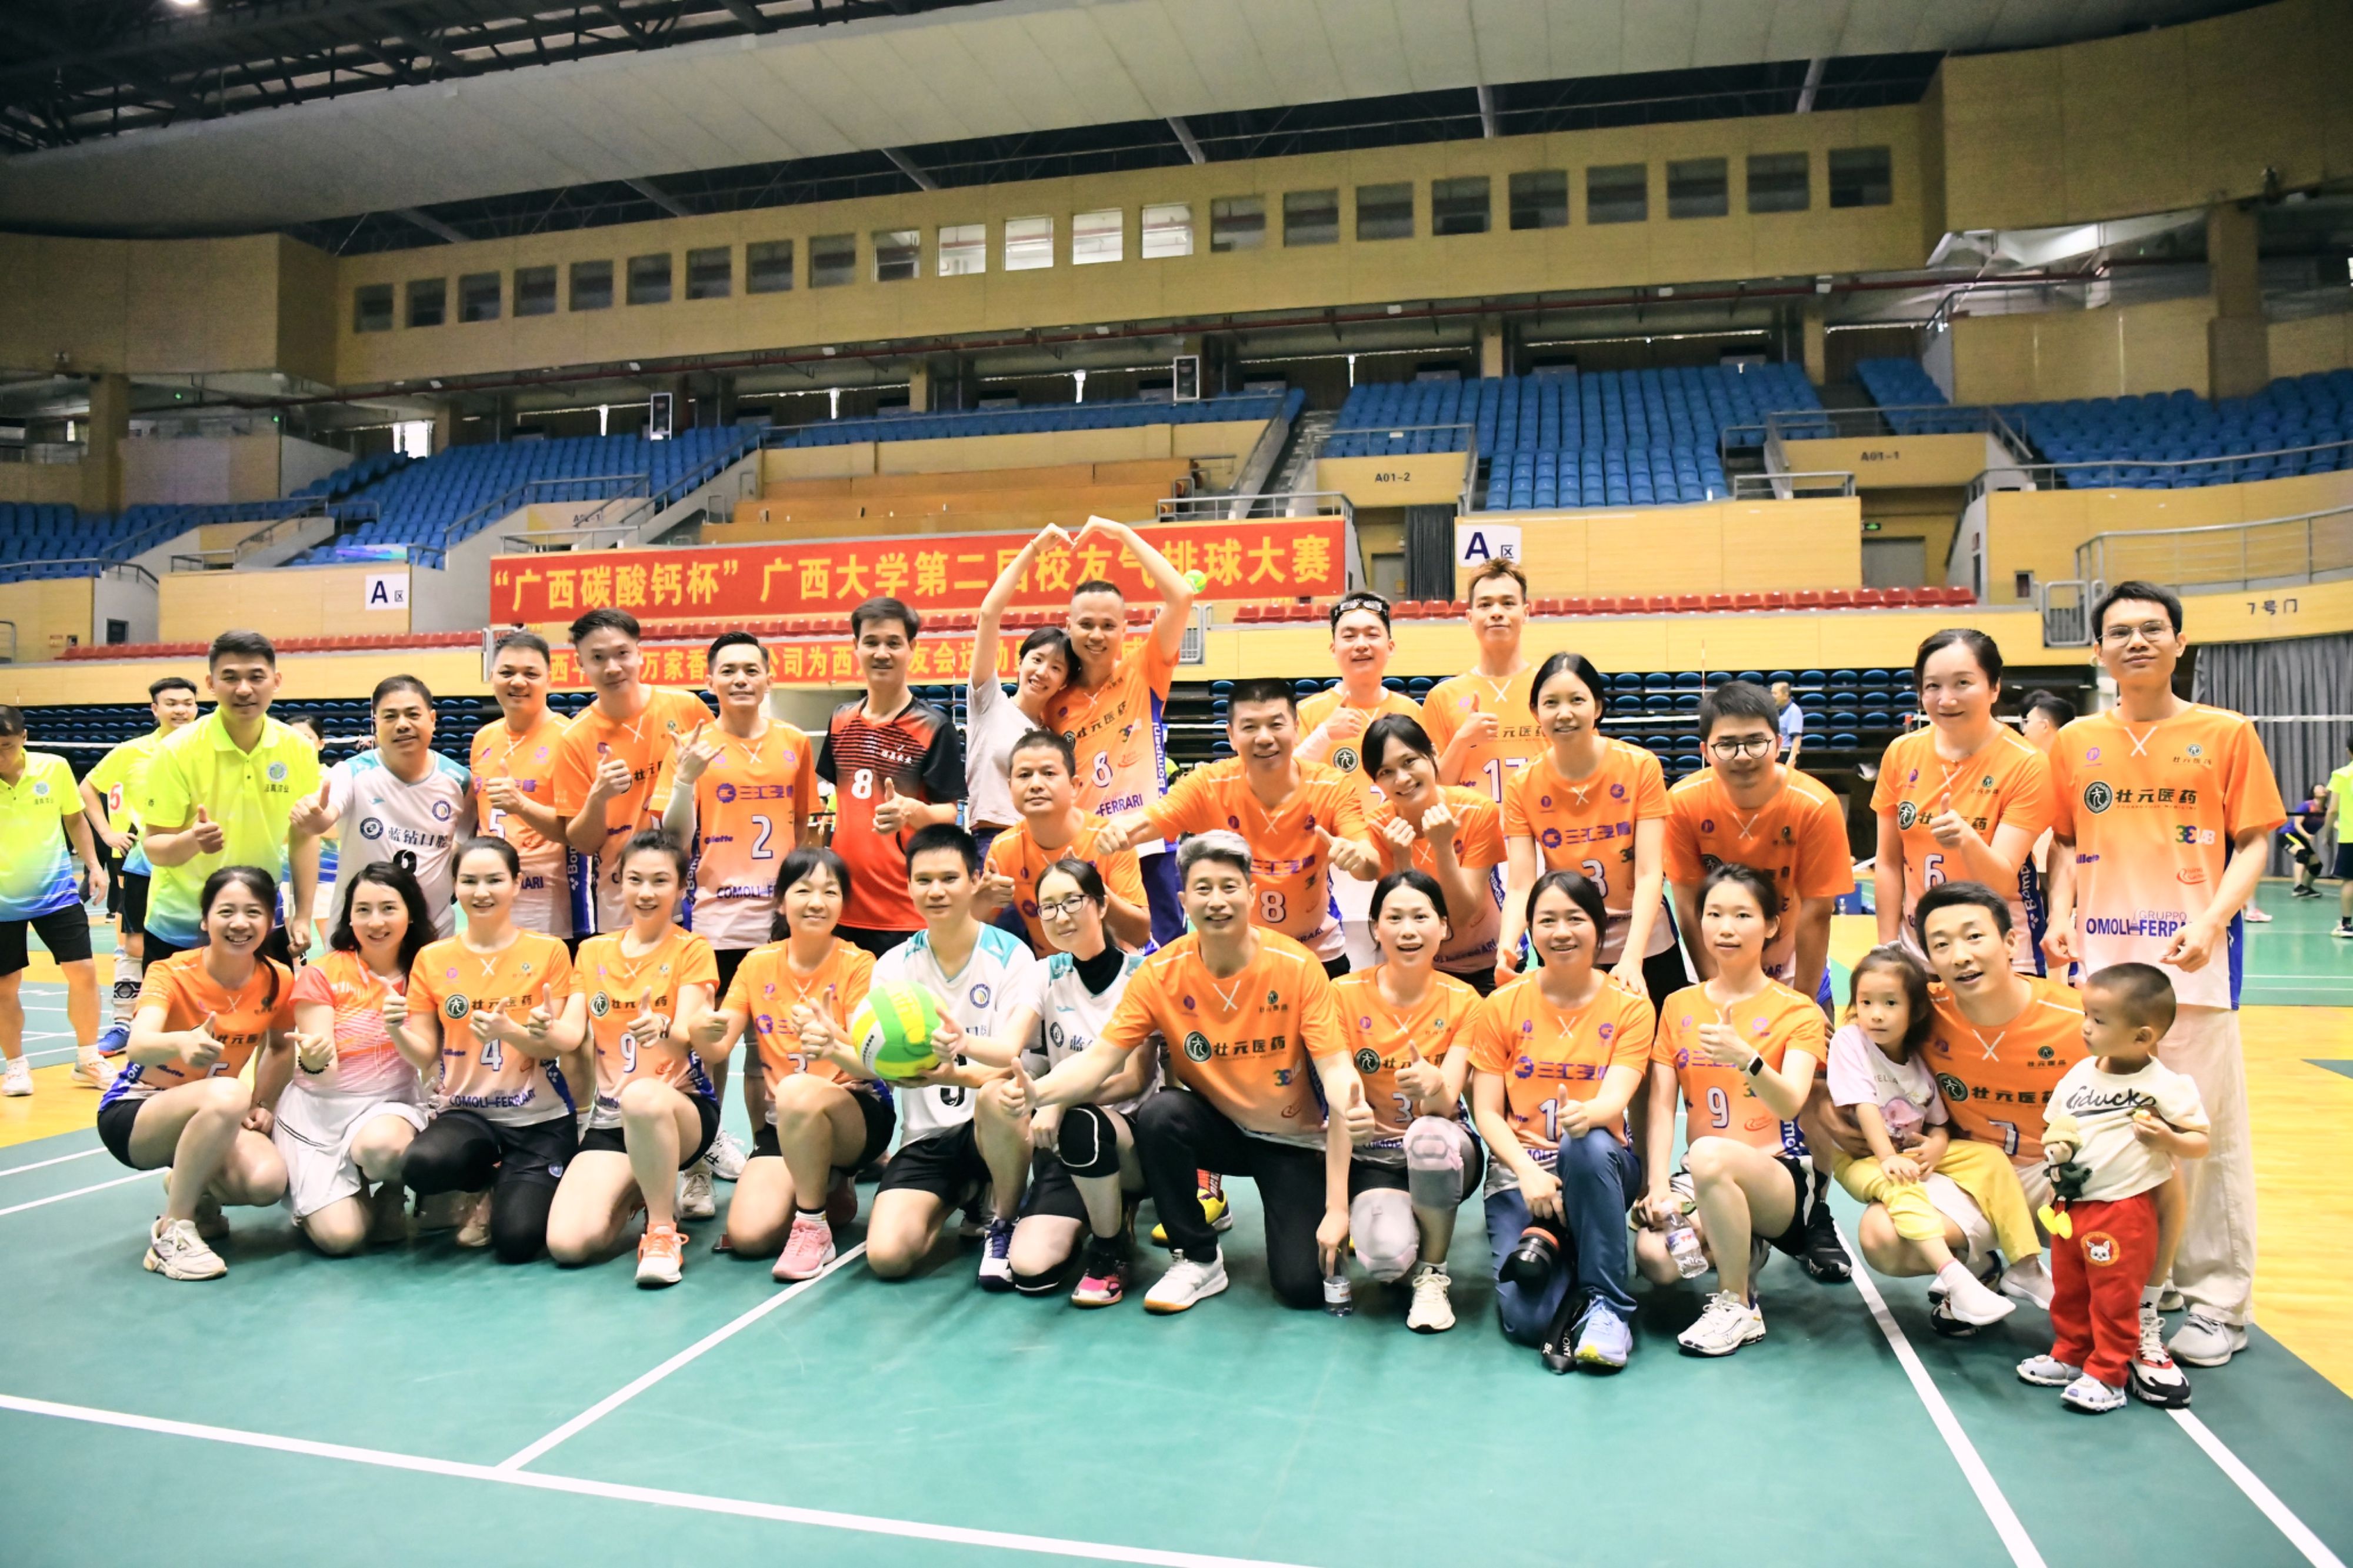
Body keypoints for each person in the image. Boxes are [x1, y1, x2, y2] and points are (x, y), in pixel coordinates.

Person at [2045, 580, 2285, 1369]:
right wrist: (2060, 913)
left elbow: (2254, 840)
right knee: (2118, 1132)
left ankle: (2219, 1301)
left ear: (2180, 642)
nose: (2137, 641)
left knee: (2203, 1139)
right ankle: (2159, 1283)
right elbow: (2066, 841)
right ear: (2098, 650)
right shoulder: (2075, 739)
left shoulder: (2227, 732)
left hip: (2194, 974)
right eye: (2120, 631)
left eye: (2153, 628)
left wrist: (2212, 921)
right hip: (2103, 978)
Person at [1013, 831, 1375, 1314]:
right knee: (1162, 1113)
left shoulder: (1298, 967)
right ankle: (1198, 1258)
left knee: (1303, 1287)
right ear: (1184, 901)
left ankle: (1333, 1203)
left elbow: (1335, 1070)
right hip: (1216, 1129)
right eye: (1203, 889)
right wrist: (1037, 1093)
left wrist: (1338, 1195)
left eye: (1229, 887)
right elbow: (1099, 1060)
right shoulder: (1160, 973)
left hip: (1289, 1138)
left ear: (1252, 894)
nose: (1217, 900)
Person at [1664, 678, 1855, 1283]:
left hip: (1796, 965)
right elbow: (1688, 900)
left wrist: (1803, 1001)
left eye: (1755, 741)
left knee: (1814, 1095)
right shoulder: (1684, 802)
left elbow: (1819, 910)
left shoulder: (1813, 804)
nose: (1742, 754)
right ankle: (1725, 1198)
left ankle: (1815, 1211)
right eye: (1727, 744)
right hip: (1723, 959)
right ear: (1705, 749)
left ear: (1780, 740)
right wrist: (1713, 982)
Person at [795, 824, 1042, 1285]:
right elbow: (880, 1066)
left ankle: (1003, 1217)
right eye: (923, 880)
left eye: (949, 878)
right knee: (888, 1257)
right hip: (926, 1138)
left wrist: (950, 1069)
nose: (936, 891)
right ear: (908, 886)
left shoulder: (1013, 957)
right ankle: (965, 1192)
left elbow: (1011, 1063)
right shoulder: (895, 965)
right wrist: (836, 1047)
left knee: (999, 1097)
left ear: (976, 880)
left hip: (990, 1128)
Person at [1635, 863, 1826, 1357]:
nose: (1726, 927)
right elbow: (1661, 1105)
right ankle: (1740, 1245)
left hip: (1780, 1179)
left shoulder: (1798, 1010)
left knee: (1709, 1153)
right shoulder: (1678, 1006)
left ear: (1772, 925)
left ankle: (1737, 1305)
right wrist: (1657, 1188)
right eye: (1714, 914)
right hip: (1702, 1177)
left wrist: (1748, 1059)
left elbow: (1791, 1101)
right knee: (1656, 1258)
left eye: (1743, 915)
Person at [1467, 870, 1650, 1369]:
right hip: (1522, 1176)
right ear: (1530, 929)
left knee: (1585, 1144)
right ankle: (1580, 1255)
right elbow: (1487, 1111)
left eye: (1576, 919)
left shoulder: (1630, 1007)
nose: (1561, 932)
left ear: (1599, 928)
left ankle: (1610, 1307)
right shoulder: (1501, 1005)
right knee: (1528, 1322)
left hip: (1598, 1166)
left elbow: (1617, 1098)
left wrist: (1585, 1114)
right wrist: (1528, 1171)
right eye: (1547, 920)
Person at [659, 630, 816, 1180]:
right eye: (728, 671)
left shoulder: (793, 741)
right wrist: (685, 781)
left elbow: (802, 826)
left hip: (779, 923)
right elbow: (675, 838)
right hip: (715, 920)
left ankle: (766, 1152)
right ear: (711, 681)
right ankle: (698, 1165)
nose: (741, 679)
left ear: (770, 678)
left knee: (768, 1044)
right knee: (712, 1047)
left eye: (751, 669)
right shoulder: (695, 745)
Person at [2019, 962, 2210, 1414]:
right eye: (2087, 1015)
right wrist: (2056, 1171)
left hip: (2121, 1210)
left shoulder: (2164, 1085)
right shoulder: (2080, 1074)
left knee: (2114, 1297)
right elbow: (2057, 1127)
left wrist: (2168, 1140)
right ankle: (2071, 1355)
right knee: (2070, 1290)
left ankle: (2108, 1375)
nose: (2086, 1027)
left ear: (2143, 1037)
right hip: (2071, 1206)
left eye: (2100, 1021)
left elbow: (2201, 1142)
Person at [1104, 677, 1379, 976]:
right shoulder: (1210, 785)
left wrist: (1358, 858)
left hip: (1318, 950)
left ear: (1296, 729)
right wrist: (1119, 831)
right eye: (1250, 727)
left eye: (1276, 725)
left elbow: (1369, 863)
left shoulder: (1332, 786)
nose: (1264, 738)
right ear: (1231, 736)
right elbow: (1150, 821)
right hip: (1239, 953)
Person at [98, 866, 297, 1280]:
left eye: (253, 912)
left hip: (214, 1112)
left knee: (266, 1182)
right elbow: (139, 1044)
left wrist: (263, 1102)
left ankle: (197, 1190)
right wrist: (180, 1043)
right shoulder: (171, 972)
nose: (240, 923)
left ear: (270, 921)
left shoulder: (278, 979)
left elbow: (281, 1047)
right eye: (226, 912)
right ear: (205, 920)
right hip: (136, 1113)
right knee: (228, 1092)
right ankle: (173, 1232)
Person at [545, 832, 723, 1288]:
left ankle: (662, 1230)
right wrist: (541, 1030)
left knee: (643, 1097)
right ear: (619, 881)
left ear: (680, 888)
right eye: (635, 880)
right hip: (612, 1119)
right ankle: (642, 1190)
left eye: (660, 881)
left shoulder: (692, 950)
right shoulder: (592, 952)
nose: (646, 892)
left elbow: (685, 1038)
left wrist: (662, 1029)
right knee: (568, 1244)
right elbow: (570, 1034)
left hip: (679, 1110)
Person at [704, 846, 887, 1280]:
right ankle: (828, 1183)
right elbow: (718, 1047)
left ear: (843, 903)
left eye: (830, 892)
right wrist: (698, 1029)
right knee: (749, 1237)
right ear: (782, 901)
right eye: (803, 890)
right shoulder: (757, 963)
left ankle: (813, 1224)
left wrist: (835, 1043)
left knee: (796, 1090)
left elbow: (873, 1065)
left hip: (855, 1114)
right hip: (786, 1124)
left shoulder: (860, 964)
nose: (816, 902)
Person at [391, 837, 576, 1264]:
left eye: (495, 880)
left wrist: (511, 1031)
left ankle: (510, 1189)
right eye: (469, 881)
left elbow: (555, 1045)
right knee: (422, 1165)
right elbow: (424, 1055)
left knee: (518, 1242)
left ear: (517, 883)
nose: (481, 892)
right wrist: (396, 1031)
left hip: (538, 1119)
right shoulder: (432, 959)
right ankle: (479, 1186)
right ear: (454, 886)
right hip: (467, 1115)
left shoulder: (549, 952)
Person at [1818, 943, 2022, 1329]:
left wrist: (1938, 1146)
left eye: (1891, 1003)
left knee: (1990, 1158)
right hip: (1863, 1158)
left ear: (1915, 1011)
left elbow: (1938, 1122)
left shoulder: (1917, 1063)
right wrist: (1887, 1158)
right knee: (1900, 1186)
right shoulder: (1851, 1041)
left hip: (1906, 1152)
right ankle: (1956, 1278)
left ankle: (2025, 1265)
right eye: (1865, 1002)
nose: (1876, 1014)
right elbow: (1864, 1104)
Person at [1326, 870, 1483, 1332]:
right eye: (1394, 918)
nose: (1408, 930)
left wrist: (1433, 1086)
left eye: (1421, 917)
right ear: (1375, 927)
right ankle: (1407, 1224)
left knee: (1428, 1137)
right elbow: (1341, 1109)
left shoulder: (1466, 1001)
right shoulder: (1342, 995)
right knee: (1385, 1261)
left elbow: (1447, 1106)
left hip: (1446, 1147)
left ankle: (1433, 1273)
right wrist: (1337, 1208)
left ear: (1444, 926)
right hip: (1373, 1156)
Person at [996, 858, 1156, 1304]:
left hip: (1129, 1139)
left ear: (1101, 906)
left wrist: (1060, 1100)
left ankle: (1111, 1249)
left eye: (1072, 901)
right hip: (1066, 1141)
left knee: (1082, 1121)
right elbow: (1009, 1047)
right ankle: (1097, 1212)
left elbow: (1134, 1079)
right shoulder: (1044, 973)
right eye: (1048, 907)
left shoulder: (1141, 974)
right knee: (1030, 1270)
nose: (1060, 916)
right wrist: (956, 1050)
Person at [1045, 517, 1200, 947]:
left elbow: (1182, 595)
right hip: (1089, 847)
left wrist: (1122, 534)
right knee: (1092, 954)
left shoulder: (1145, 670)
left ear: (1124, 630)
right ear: (1069, 626)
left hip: (1148, 841)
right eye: (1086, 624)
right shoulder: (1054, 702)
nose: (1097, 635)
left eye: (1108, 625)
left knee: (1162, 955)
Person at [1498, 652, 1681, 1000]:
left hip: (1643, 942)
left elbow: (1649, 872)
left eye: (1577, 700)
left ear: (1597, 707)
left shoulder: (1640, 766)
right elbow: (1521, 884)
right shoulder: (1521, 784)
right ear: (1535, 712)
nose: (1564, 713)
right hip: (1568, 941)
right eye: (1551, 703)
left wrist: (1632, 957)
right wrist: (1507, 946)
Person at [1872, 630, 2055, 973]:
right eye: (1933, 686)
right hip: (1920, 950)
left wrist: (1967, 839)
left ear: (1994, 687)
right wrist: (1888, 949)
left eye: (1963, 683)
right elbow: (1888, 862)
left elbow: (2002, 881)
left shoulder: (2026, 763)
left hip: (2001, 950)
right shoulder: (1901, 752)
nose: (1947, 699)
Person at [138, 630, 324, 968]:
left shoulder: (297, 748)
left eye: (256, 677)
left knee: (271, 1005)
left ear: (276, 681)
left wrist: (302, 916)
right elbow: (155, 848)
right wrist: (191, 841)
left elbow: (305, 836)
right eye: (230, 678)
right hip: (183, 922)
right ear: (211, 684)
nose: (244, 689)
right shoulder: (175, 751)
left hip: (260, 919)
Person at [279, 862, 435, 1255]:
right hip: (320, 1112)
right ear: (349, 917)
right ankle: (335, 1194)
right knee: (341, 1240)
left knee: (383, 1148)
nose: (375, 922)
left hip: (388, 1108)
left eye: (388, 908)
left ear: (410, 913)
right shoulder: (322, 974)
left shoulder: (425, 971)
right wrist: (314, 1059)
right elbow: (324, 1075)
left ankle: (392, 1191)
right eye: (363, 910)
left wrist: (397, 1030)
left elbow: (427, 1058)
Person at [816, 596, 964, 956]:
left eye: (893, 643)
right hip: (843, 903)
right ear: (856, 646)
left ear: (912, 648)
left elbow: (949, 814)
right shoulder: (840, 719)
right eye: (871, 642)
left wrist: (912, 810)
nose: (882, 653)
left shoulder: (933, 726)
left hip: (904, 910)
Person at [552, 608, 711, 937]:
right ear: (580, 663)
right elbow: (582, 842)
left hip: (695, 889)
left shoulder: (687, 708)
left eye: (622, 653)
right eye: (598, 658)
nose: (612, 667)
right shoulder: (574, 738)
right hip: (620, 898)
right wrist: (599, 797)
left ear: (640, 653)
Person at [289, 675, 474, 938]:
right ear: (376, 723)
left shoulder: (460, 781)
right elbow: (326, 816)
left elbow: (463, 843)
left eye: (413, 714)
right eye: (390, 716)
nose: (403, 724)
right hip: (360, 931)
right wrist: (315, 821)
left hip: (433, 931)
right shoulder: (351, 772)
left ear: (432, 719)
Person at [81, 674, 201, 1061]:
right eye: (171, 703)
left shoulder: (208, 748)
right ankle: (125, 1024)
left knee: (201, 943)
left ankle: (189, 1023)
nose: (181, 710)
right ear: (155, 709)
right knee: (134, 946)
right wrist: (107, 833)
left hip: (201, 864)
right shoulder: (132, 752)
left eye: (187, 703)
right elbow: (88, 788)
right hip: (145, 863)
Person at [0, 705, 109, 1096]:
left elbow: (74, 818)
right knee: (5, 986)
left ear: (24, 738)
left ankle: (88, 1059)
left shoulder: (54, 767)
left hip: (55, 891)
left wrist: (94, 866)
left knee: (84, 972)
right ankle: (16, 1067)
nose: (0, 756)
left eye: (6, 746)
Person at [1359, 714, 1507, 995]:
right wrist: (1402, 859)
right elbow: (1406, 913)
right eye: (1386, 772)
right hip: (1419, 967)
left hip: (1488, 962)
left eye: (1409, 761)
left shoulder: (1477, 810)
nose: (1402, 779)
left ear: (1433, 754)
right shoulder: (1378, 828)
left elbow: (1461, 915)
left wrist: (1442, 847)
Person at [979, 730, 1149, 953]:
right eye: (1024, 775)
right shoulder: (1003, 848)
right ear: (1010, 788)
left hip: (1113, 967)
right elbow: (977, 930)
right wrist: (981, 900)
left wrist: (1093, 888)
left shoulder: (1109, 840)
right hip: (1048, 970)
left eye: (1049, 773)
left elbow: (1140, 935)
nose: (1035, 784)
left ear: (1074, 786)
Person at [967, 525, 1075, 860]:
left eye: (1056, 668)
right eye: (1037, 659)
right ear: (1020, 661)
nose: (1043, 672)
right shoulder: (988, 702)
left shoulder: (1054, 735)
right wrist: (1034, 550)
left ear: (1064, 682)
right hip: (991, 843)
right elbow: (989, 614)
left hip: (1044, 847)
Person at [469, 630, 575, 946]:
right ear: (491, 677)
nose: (518, 682)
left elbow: (579, 832)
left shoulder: (570, 737)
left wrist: (521, 805)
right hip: (489, 893)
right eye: (507, 673)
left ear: (549, 680)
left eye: (531, 674)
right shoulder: (483, 739)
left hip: (548, 899)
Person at [1419, 559, 1543, 802]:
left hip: (1542, 825)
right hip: (1470, 827)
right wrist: (1463, 740)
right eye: (1485, 605)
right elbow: (1430, 793)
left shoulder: (1551, 688)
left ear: (1526, 613)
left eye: (1508, 603)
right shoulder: (1442, 697)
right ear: (1470, 617)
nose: (1497, 612)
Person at [1297, 592, 1421, 773]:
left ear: (1390, 647)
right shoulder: (1306, 713)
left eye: (1372, 635)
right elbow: (1286, 778)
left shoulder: (1412, 711)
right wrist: (1324, 734)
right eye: (1349, 636)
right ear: (1333, 649)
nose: (1361, 645)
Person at [2016, 688, 2078, 965]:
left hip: (2067, 861)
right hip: (2039, 861)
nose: (2024, 729)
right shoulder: (2028, 763)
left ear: (2043, 726)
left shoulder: (2069, 763)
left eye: (2027, 722)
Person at [2325, 733, 2353, 937]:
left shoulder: (2342, 775)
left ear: (2348, 751)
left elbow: (2332, 810)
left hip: (2350, 836)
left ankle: (2346, 925)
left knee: (2350, 881)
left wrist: (2326, 834)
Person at [1771, 679, 1804, 766]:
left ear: (1785, 695)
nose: (1772, 697)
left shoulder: (1794, 711)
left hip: (1787, 754)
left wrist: (1792, 759)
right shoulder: (1779, 710)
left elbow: (1797, 737)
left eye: (1775, 694)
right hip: (1779, 753)